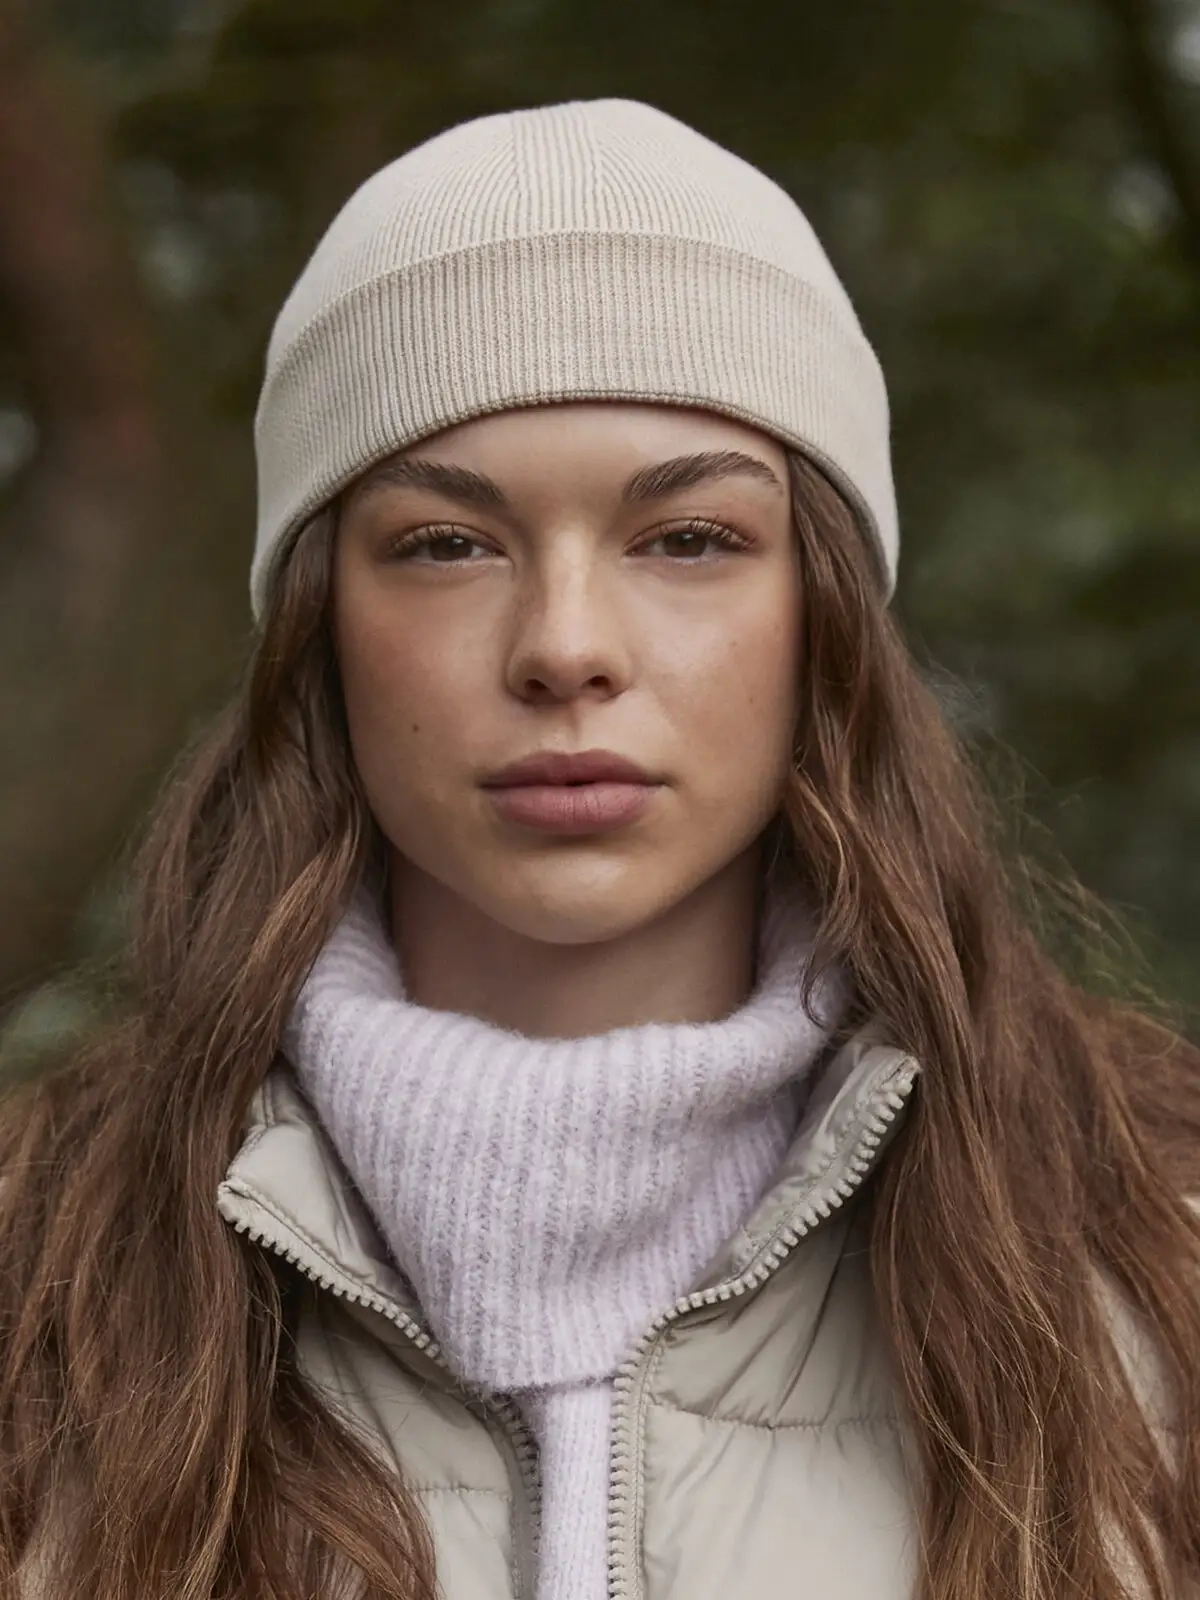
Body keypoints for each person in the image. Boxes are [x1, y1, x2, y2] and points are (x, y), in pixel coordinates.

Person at [0, 97, 1197, 1600]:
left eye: (688, 539)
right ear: (320, 628)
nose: (567, 647)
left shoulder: (1157, 1276)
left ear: (822, 615)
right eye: (447, 543)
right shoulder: (34, 1294)